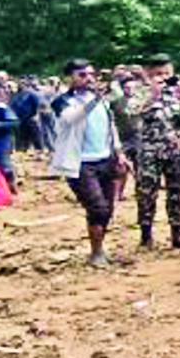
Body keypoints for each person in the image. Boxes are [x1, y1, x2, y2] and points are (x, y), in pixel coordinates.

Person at [51, 60, 125, 267]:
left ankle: (100, 248)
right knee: (97, 207)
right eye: (82, 74)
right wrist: (96, 99)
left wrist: (118, 150)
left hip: (106, 158)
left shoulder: (101, 100)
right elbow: (71, 119)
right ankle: (96, 253)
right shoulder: (62, 101)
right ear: (69, 78)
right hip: (80, 163)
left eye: (91, 74)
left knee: (108, 208)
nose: (89, 78)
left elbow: (111, 125)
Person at [124, 54, 180, 250]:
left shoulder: (177, 91)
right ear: (148, 74)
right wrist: (152, 95)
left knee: (177, 191)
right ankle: (146, 235)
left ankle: (177, 233)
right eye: (158, 73)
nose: (163, 77)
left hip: (176, 149)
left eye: (166, 73)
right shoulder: (140, 91)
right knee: (147, 193)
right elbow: (131, 113)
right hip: (149, 150)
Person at [10, 79, 45, 155]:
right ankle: (21, 152)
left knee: (35, 135)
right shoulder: (16, 94)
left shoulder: (31, 93)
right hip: (20, 119)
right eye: (20, 83)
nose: (21, 85)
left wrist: (36, 114)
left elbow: (37, 104)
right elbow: (13, 105)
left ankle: (40, 151)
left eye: (23, 83)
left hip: (30, 117)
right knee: (21, 136)